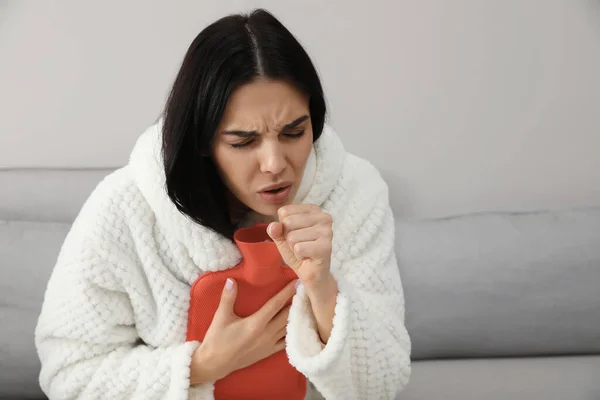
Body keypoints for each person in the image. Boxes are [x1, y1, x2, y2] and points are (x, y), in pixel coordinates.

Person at [34, 8, 411, 400]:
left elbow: (382, 383)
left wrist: (323, 289)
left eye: (294, 132)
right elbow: (68, 375)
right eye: (243, 142)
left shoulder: (355, 192)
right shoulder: (125, 209)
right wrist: (204, 366)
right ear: (202, 141)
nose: (275, 164)